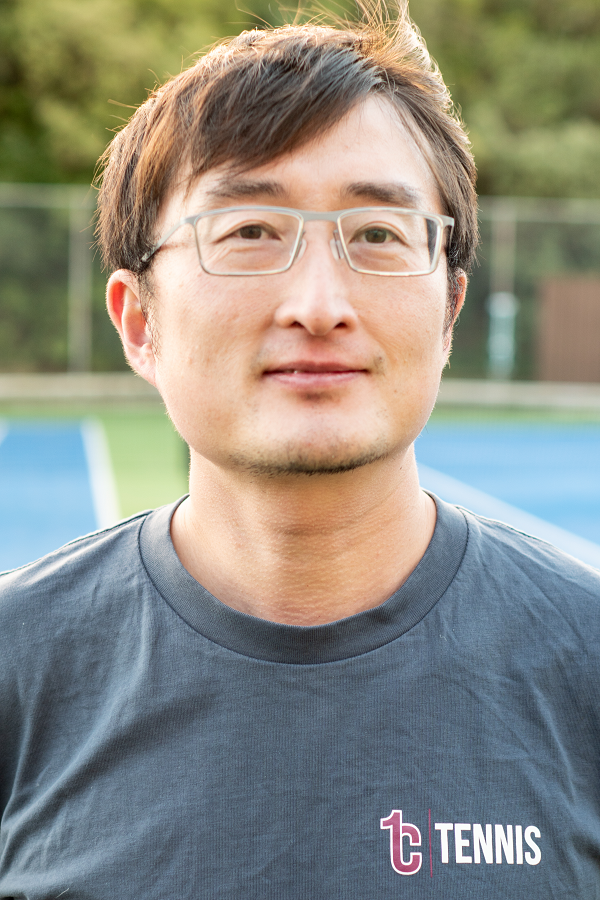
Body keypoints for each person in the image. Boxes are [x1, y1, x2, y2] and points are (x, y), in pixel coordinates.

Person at [1, 4, 599, 897]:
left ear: (450, 310)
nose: (319, 305)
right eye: (249, 233)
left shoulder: (584, 663)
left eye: (377, 236)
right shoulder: (19, 668)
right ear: (138, 321)